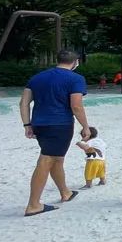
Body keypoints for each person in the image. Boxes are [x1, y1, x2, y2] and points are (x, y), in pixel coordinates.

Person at [19, 49, 90, 216]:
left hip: (39, 124)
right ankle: (33, 204)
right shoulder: (76, 79)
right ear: (75, 62)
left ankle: (65, 192)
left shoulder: (37, 77)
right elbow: (76, 105)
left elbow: (23, 103)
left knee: (56, 159)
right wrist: (85, 126)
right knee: (46, 160)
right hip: (60, 124)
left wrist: (27, 124)